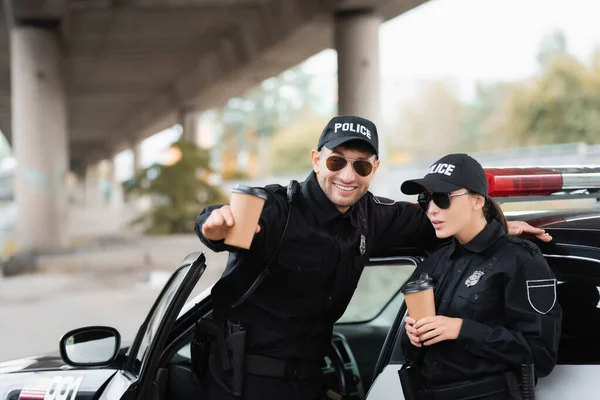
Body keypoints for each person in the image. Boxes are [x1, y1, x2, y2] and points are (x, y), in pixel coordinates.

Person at [195, 116, 551, 400]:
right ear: (317, 160)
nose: (348, 176)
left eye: (361, 167)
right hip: (243, 383)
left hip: (309, 379)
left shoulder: (373, 216)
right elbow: (221, 220)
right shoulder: (277, 209)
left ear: (375, 168)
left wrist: (500, 226)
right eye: (337, 161)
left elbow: (446, 221)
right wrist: (212, 226)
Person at [399, 153, 562, 400]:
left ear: (477, 200)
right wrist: (412, 335)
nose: (431, 210)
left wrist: (462, 330)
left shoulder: (520, 260)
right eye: (425, 200)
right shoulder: (434, 262)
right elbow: (415, 352)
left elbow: (540, 354)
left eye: (442, 198)